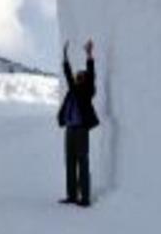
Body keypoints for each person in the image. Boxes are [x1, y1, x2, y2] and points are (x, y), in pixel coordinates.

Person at [57, 39, 100, 207]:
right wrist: (65, 59)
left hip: (81, 130)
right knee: (69, 162)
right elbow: (68, 75)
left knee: (82, 162)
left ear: (85, 79)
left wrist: (89, 55)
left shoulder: (87, 91)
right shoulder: (72, 90)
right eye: (77, 76)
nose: (77, 78)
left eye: (80, 76)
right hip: (69, 130)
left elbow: (91, 74)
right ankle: (72, 195)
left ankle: (85, 198)